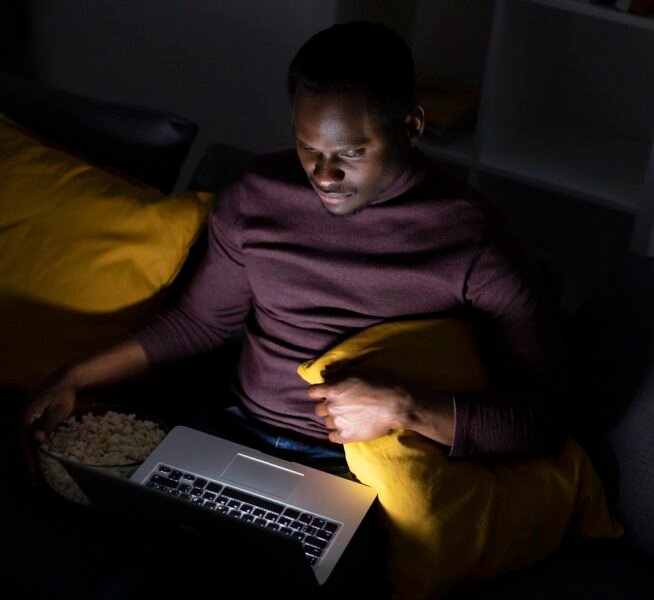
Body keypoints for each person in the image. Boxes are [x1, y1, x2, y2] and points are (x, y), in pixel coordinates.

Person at [22, 21, 570, 596]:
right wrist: (74, 377)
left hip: (360, 473)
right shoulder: (258, 195)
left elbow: (546, 413)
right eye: (309, 149)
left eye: (351, 153)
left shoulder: (475, 242)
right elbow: (200, 322)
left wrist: (407, 408)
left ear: (410, 127)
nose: (325, 176)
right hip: (231, 435)